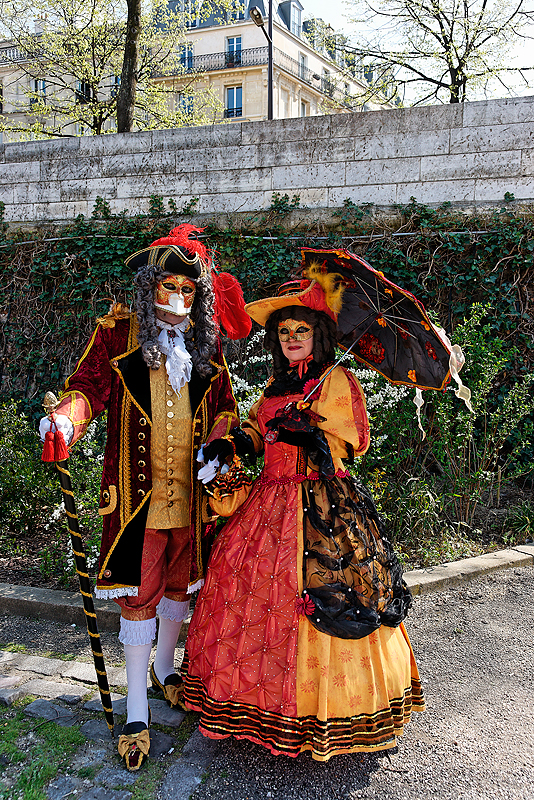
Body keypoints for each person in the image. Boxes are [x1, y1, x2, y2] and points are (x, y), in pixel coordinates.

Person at [182, 275, 425, 762]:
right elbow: (255, 429)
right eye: (285, 331)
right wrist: (234, 441)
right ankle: (251, 703)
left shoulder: (335, 380)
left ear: (319, 335)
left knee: (326, 594)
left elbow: (348, 443)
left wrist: (308, 435)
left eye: (302, 330)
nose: (292, 338)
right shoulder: (277, 385)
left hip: (319, 505)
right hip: (266, 505)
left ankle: (325, 710)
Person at [39, 225, 250, 770]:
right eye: (166, 288)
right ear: (148, 287)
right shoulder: (117, 333)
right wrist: (64, 421)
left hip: (192, 492)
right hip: (136, 495)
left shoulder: (206, 342)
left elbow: (226, 404)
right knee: (140, 594)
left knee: (181, 583)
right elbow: (87, 389)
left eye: (186, 290)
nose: (176, 301)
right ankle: (136, 707)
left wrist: (220, 446)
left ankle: (166, 667)